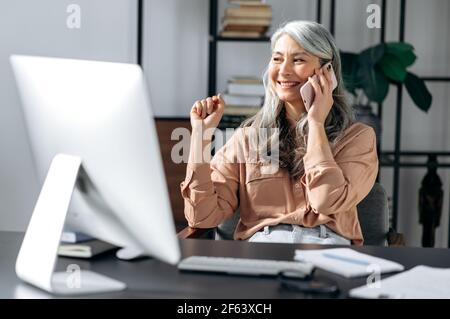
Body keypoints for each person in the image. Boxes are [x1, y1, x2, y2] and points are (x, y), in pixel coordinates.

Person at [180, 20, 378, 245]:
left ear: (327, 71)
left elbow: (325, 201)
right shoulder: (247, 139)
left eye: (298, 60)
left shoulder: (358, 138)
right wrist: (200, 137)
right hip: (262, 249)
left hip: (328, 249)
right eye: (277, 58)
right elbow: (202, 217)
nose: (283, 70)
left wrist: (315, 123)